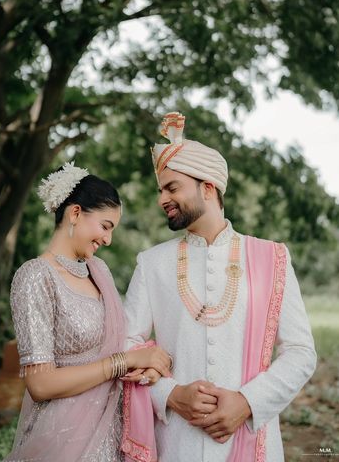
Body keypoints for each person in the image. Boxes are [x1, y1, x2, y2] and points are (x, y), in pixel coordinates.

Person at [125, 112, 317, 462]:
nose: (161, 200)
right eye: (160, 190)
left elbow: (301, 352)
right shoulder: (151, 263)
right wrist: (169, 394)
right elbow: (126, 346)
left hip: (251, 437)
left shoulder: (271, 258)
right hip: (175, 443)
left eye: (171, 188)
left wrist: (247, 402)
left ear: (208, 188)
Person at [4, 162, 170, 462]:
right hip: (62, 441)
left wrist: (145, 362)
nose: (108, 239)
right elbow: (41, 385)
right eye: (105, 226)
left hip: (113, 433)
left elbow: (119, 339)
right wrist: (124, 361)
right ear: (76, 213)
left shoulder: (99, 272)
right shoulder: (35, 277)